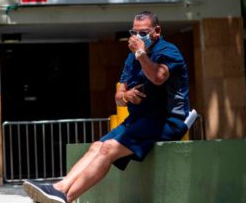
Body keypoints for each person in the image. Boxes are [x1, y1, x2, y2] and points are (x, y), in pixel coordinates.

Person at [23, 11, 190, 203]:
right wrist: (127, 96)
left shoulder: (168, 51)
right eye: (134, 32)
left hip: (166, 122)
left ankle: (66, 198)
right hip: (138, 120)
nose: (137, 37)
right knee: (97, 146)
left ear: (157, 31)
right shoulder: (131, 59)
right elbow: (118, 97)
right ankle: (59, 188)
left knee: (108, 148)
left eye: (143, 32)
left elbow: (158, 77)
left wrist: (141, 53)